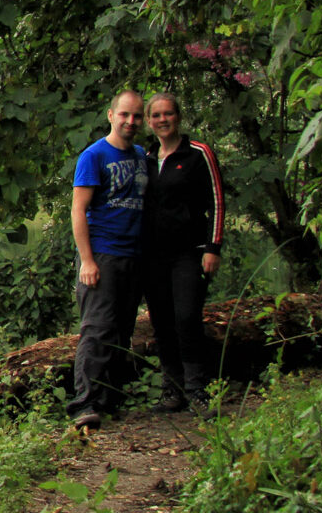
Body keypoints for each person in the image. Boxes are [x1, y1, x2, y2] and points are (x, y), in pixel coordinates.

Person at [141, 93, 227, 418]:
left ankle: (198, 391)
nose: (163, 120)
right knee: (162, 322)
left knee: (187, 317)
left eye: (168, 114)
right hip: (153, 256)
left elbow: (217, 201)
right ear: (149, 122)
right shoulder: (146, 158)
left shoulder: (198, 154)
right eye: (156, 115)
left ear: (178, 116)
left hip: (190, 253)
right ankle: (172, 391)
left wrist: (213, 247)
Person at [68, 90, 149, 429]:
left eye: (137, 116)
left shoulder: (143, 155)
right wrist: (87, 260)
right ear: (111, 115)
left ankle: (109, 400)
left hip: (134, 255)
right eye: (125, 115)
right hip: (102, 254)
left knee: (122, 332)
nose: (131, 121)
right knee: (97, 330)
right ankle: (84, 405)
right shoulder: (94, 155)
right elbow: (78, 209)